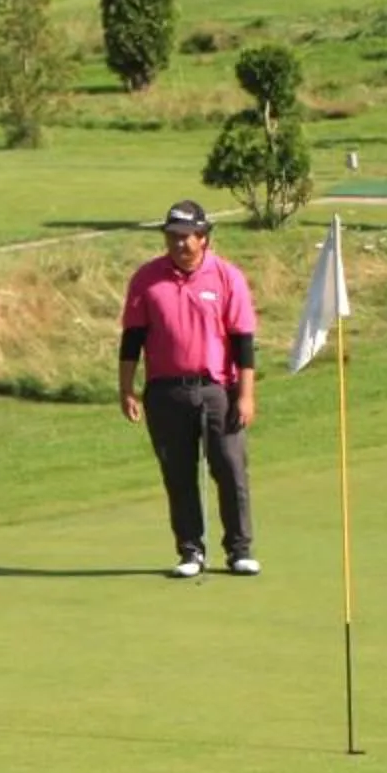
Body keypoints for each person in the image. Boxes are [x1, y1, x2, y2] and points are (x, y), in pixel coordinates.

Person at [118, 200, 260, 579]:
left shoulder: (227, 277)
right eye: (171, 237)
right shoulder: (147, 279)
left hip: (218, 390)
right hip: (165, 391)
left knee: (230, 469)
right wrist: (126, 389)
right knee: (178, 475)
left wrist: (246, 396)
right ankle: (190, 551)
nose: (178, 244)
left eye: (185, 237)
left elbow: (244, 342)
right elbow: (133, 339)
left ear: (203, 237)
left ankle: (239, 550)